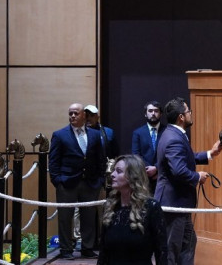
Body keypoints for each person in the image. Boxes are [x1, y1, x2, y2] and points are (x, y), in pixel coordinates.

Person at [154, 97, 222, 265]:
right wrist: (197, 177)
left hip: (179, 204)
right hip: (173, 205)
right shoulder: (174, 138)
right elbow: (179, 170)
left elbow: (185, 158)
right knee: (172, 249)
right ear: (181, 117)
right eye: (188, 111)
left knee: (188, 243)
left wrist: (210, 154)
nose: (191, 114)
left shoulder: (173, 134)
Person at [49, 103, 106, 260]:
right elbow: (53, 161)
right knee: (65, 217)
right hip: (67, 183)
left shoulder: (94, 135)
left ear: (84, 116)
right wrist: (57, 181)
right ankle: (66, 249)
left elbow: (101, 159)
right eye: (70, 113)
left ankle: (87, 248)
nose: (72, 116)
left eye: (76, 113)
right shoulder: (60, 135)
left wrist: (100, 179)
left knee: (88, 217)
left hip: (90, 182)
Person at [98, 154, 167, 265]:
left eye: (118, 171)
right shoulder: (109, 206)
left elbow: (162, 252)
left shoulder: (151, 207)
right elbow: (103, 254)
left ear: (132, 176)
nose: (112, 175)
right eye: (114, 171)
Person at [132, 101, 166, 193]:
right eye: (150, 111)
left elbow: (169, 154)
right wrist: (148, 169)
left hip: (163, 177)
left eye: (156, 111)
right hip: (144, 178)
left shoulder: (167, 132)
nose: (153, 114)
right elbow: (136, 155)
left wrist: (156, 168)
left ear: (161, 114)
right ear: (145, 114)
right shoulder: (138, 133)